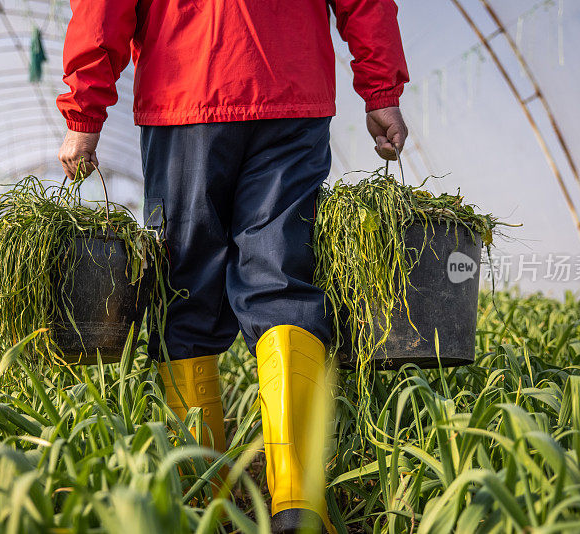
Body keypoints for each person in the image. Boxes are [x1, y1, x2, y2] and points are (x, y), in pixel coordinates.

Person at [57, 1, 408, 532]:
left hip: (187, 89)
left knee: (186, 291)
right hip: (292, 94)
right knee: (283, 280)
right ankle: (298, 501)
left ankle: (204, 501)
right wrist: (381, 91)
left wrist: (84, 111)